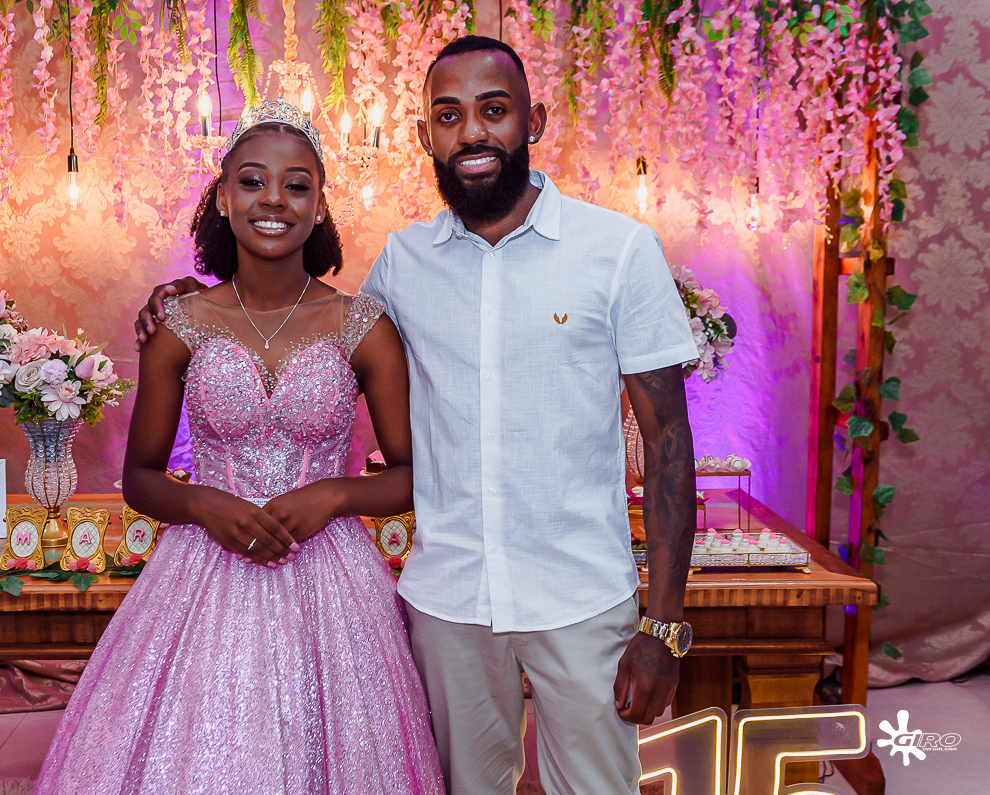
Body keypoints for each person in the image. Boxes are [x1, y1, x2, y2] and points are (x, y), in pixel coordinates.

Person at [138, 37, 698, 795]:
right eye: (449, 115)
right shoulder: (405, 263)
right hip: (447, 602)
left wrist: (663, 625)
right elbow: (304, 327)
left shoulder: (619, 250)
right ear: (425, 134)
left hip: (579, 595)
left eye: (493, 110)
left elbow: (667, 441)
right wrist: (189, 301)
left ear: (533, 120)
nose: (471, 132)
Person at [37, 101, 444, 794]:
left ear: (319, 205)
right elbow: (140, 477)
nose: (274, 199)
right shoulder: (179, 321)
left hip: (331, 575)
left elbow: (412, 475)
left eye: (297, 185)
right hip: (203, 567)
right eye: (252, 181)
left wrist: (333, 494)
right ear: (223, 198)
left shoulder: (362, 325)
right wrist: (204, 504)